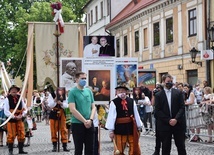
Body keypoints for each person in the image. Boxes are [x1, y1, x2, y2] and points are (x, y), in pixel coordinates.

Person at [105, 86, 143, 155]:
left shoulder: (131, 101)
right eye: (119, 91)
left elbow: (136, 114)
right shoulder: (114, 102)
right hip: (119, 129)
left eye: (123, 91)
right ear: (116, 92)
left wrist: (139, 126)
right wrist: (111, 130)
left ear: (126, 92)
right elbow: (111, 117)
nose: (121, 92)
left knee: (134, 148)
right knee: (119, 150)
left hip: (131, 128)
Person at [155, 74, 187, 155]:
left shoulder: (178, 93)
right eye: (168, 82)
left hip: (178, 124)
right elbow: (158, 110)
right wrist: (168, 120)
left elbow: (182, 107)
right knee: (165, 147)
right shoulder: (158, 95)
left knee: (181, 146)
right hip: (165, 125)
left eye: (171, 81)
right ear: (163, 82)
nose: (170, 83)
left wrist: (176, 119)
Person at [68, 72, 96, 155]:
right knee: (78, 149)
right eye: (82, 78)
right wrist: (84, 121)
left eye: (85, 78)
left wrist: (90, 119)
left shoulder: (89, 91)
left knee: (90, 149)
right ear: (76, 80)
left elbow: (93, 107)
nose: (84, 80)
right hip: (77, 124)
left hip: (89, 123)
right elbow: (72, 109)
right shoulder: (72, 92)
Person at [4, 85, 28, 154]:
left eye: (15, 90)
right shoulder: (7, 99)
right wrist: (13, 116)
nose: (14, 91)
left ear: (17, 91)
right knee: (11, 135)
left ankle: (21, 150)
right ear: (10, 91)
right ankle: (10, 151)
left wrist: (22, 115)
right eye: (12, 90)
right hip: (11, 120)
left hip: (19, 119)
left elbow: (25, 108)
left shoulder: (20, 98)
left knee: (21, 134)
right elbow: (6, 111)